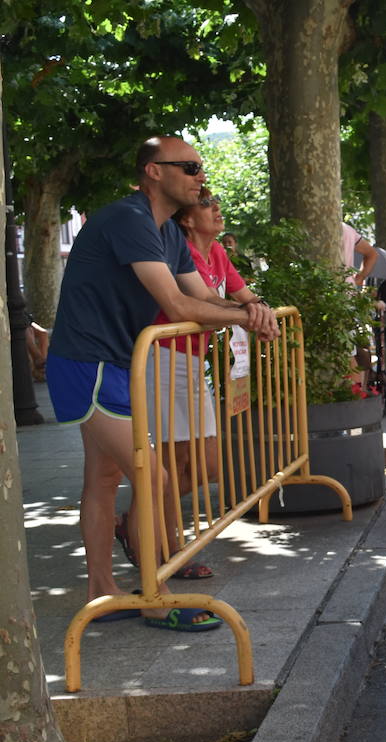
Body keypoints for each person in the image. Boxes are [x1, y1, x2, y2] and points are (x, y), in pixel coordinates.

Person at [46, 135, 278, 631]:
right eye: (190, 167)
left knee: (104, 479)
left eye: (200, 168)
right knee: (154, 476)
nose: (201, 177)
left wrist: (245, 310)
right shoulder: (129, 219)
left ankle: (101, 592)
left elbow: (202, 298)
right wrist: (244, 315)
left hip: (113, 362)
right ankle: (154, 594)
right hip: (86, 365)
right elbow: (178, 307)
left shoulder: (168, 234)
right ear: (154, 171)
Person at [117, 186, 268, 583]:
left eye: (218, 203)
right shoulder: (178, 251)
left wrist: (258, 311)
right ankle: (168, 550)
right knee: (173, 464)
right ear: (187, 218)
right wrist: (245, 314)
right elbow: (194, 305)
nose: (218, 209)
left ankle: (136, 522)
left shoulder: (217, 252)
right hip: (163, 358)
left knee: (209, 465)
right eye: (207, 205)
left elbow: (242, 297)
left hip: (191, 361)